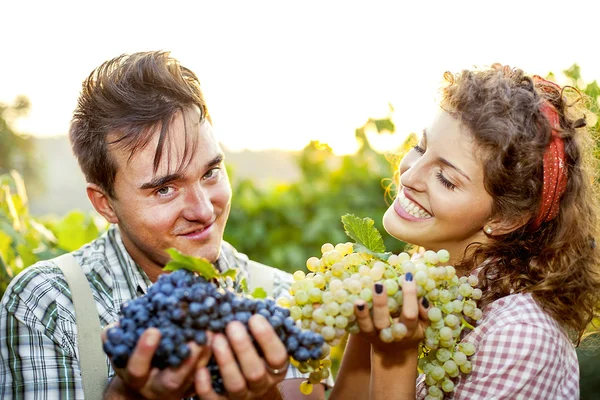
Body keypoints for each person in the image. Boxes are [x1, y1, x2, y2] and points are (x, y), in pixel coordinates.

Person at [0, 51, 331, 399]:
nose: (203, 210)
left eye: (210, 173)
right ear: (105, 203)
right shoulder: (48, 304)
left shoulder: (280, 295)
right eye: (165, 189)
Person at [330, 64, 600, 399]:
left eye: (446, 178)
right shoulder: (426, 276)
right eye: (419, 147)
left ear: (503, 218)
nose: (410, 176)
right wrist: (370, 331)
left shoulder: (520, 336)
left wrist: (394, 357)